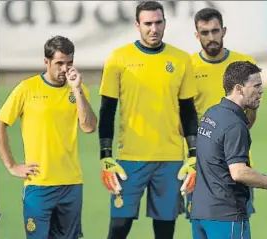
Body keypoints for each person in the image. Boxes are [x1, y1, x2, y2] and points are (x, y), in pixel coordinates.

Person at [98, 1, 198, 239]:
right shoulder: (118, 58)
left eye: (158, 22)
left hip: (171, 159)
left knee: (165, 231)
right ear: (137, 25)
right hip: (130, 160)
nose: (154, 29)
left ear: (165, 23)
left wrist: (193, 154)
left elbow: (188, 111)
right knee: (119, 228)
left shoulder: (181, 59)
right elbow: (107, 110)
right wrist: (105, 156)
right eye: (148, 23)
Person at [191, 61, 267, 239]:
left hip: (200, 214)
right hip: (226, 216)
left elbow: (218, 164)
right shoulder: (234, 125)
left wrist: (264, 178)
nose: (261, 91)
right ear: (239, 88)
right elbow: (238, 172)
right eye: (256, 86)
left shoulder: (211, 114)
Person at [0, 35, 97, 239]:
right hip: (38, 185)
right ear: (46, 62)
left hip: (71, 183)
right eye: (59, 63)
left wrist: (77, 90)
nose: (64, 69)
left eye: (69, 63)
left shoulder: (78, 90)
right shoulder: (27, 89)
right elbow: (0, 124)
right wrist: (12, 165)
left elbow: (88, 127)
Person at [178, 7, 259, 218]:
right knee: (202, 224)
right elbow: (183, 121)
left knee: (237, 221)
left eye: (215, 31)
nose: (211, 37)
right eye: (205, 33)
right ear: (197, 35)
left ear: (224, 31)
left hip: (236, 160)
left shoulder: (242, 65)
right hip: (200, 164)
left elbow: (250, 118)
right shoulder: (187, 66)